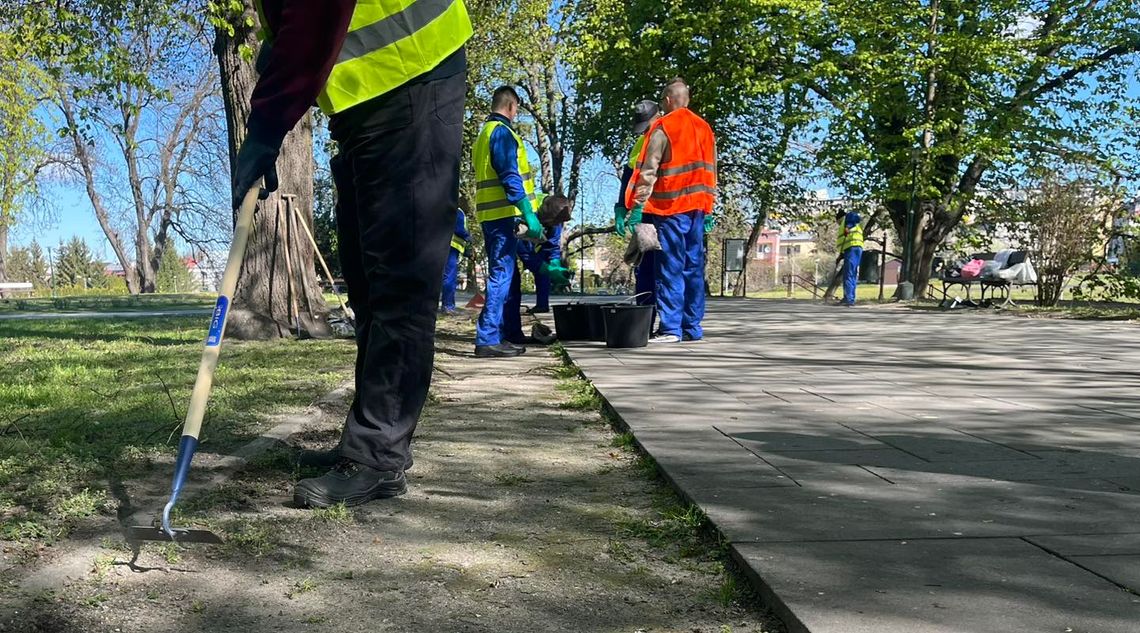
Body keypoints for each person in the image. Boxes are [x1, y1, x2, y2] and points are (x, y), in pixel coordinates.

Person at [231, 0, 472, 508]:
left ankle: (377, 455)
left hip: (413, 76)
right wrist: (274, 58)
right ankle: (365, 440)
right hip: (367, 104)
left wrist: (266, 126)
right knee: (366, 281)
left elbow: (317, 15)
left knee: (399, 281)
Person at [624, 78, 717, 343]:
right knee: (693, 267)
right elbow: (712, 172)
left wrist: (637, 207)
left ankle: (671, 328)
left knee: (671, 269)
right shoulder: (705, 128)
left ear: (666, 101)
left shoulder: (664, 127)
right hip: (698, 209)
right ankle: (692, 327)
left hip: (671, 209)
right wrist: (709, 207)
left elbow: (649, 171)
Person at [472, 86, 543, 358]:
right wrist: (528, 212)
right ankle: (488, 337)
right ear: (512, 107)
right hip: (503, 216)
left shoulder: (484, 135)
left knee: (503, 274)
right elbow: (510, 176)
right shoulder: (502, 133)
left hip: (491, 215)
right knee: (501, 275)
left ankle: (496, 335)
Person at [506, 194, 573, 342]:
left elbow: (552, 244)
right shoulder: (524, 216)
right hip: (510, 238)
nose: (555, 226)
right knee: (510, 283)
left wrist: (554, 263)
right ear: (546, 217)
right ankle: (505, 332)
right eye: (553, 223)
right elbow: (525, 254)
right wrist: (546, 269)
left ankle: (541, 305)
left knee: (544, 269)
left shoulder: (557, 218)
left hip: (533, 240)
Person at [615, 100, 661, 306]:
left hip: (662, 211)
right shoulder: (641, 142)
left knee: (662, 269)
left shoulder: (666, 136)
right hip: (644, 214)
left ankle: (669, 324)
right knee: (645, 268)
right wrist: (620, 207)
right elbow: (629, 176)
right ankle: (645, 319)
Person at [440, 208, 470, 314]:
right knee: (449, 277)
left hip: (440, 246)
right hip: (452, 247)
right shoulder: (457, 210)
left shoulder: (439, 207)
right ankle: (448, 306)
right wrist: (469, 238)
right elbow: (459, 229)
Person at [837, 210, 864, 306]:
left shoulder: (848, 217)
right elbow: (844, 241)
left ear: (840, 218)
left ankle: (849, 299)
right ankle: (848, 297)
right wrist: (841, 255)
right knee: (850, 274)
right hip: (853, 249)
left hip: (852, 248)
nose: (839, 224)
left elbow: (854, 216)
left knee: (849, 274)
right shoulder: (847, 222)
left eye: (838, 222)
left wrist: (848, 226)